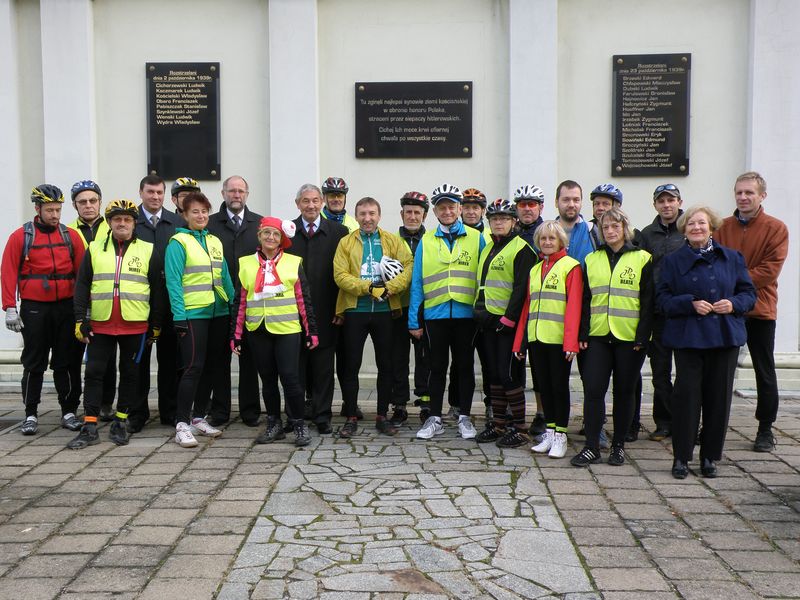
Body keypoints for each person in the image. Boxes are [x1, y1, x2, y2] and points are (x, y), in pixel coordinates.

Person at [658, 206, 756, 479]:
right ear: (684, 229)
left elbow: (749, 294)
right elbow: (662, 300)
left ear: (711, 227)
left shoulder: (732, 258)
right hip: (689, 338)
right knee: (686, 399)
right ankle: (681, 457)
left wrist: (733, 303)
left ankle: (710, 457)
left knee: (718, 400)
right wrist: (689, 304)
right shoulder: (673, 261)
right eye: (691, 224)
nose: (697, 228)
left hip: (724, 337)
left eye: (701, 223)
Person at [68, 200, 165, 449]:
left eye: (128, 219)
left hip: (135, 325)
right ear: (109, 223)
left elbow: (157, 290)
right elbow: (82, 286)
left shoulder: (148, 249)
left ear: (134, 223)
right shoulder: (94, 248)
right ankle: (89, 425)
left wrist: (155, 324)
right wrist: (81, 319)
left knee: (131, 375)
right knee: (93, 374)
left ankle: (121, 422)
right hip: (100, 324)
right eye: (117, 219)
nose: (122, 223)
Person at [571, 207, 653, 467]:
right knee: (593, 390)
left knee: (624, 392)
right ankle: (592, 446)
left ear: (624, 228)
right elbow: (585, 300)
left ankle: (618, 445)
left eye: (615, 226)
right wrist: (583, 332)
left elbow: (649, 302)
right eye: (605, 227)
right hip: (597, 336)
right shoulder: (592, 259)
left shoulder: (643, 258)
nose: (610, 231)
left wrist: (643, 337)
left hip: (629, 338)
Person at [1, 185, 85, 435]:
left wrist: (84, 309)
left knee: (66, 362)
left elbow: (83, 275)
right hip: (34, 308)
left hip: (66, 308)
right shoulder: (21, 237)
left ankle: (68, 411)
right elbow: (7, 272)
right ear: (37, 209)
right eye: (50, 210)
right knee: (34, 363)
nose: (55, 215)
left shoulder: (71, 236)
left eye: (58, 209)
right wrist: (9, 307)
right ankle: (30, 414)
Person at [715, 172, 789, 453]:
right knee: (719, 371)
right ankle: (712, 425)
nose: (743, 197)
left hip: (759, 309)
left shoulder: (776, 228)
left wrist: (734, 284)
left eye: (749, 193)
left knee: (764, 370)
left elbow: (770, 270)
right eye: (739, 192)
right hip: (726, 310)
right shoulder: (722, 227)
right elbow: (715, 261)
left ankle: (765, 429)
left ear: (762, 196)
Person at [408, 183, 485, 440]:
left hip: (466, 316)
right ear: (435, 211)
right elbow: (417, 281)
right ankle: (434, 418)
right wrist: (413, 319)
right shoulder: (427, 240)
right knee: (436, 367)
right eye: (442, 207)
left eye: (452, 206)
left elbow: (484, 277)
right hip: (435, 315)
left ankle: (464, 417)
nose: (447, 211)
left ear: (460, 208)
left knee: (464, 367)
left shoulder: (476, 238)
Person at [231, 216, 317, 446]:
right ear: (259, 236)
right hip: (258, 328)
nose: (271, 237)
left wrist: (311, 331)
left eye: (275, 234)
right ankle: (274, 423)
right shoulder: (245, 263)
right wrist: (236, 334)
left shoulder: (293, 262)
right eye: (266, 233)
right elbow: (240, 301)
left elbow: (303, 300)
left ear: (282, 239)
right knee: (267, 381)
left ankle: (298, 423)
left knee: (290, 378)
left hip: (287, 329)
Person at [334, 197, 413, 438]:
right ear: (356, 217)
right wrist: (367, 288)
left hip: (385, 311)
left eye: (371, 213)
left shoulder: (393, 240)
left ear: (379, 215)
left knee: (386, 365)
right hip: (354, 310)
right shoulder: (346, 242)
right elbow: (340, 274)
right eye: (362, 214)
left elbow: (409, 266)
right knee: (351, 365)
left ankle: (382, 415)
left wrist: (391, 287)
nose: (367, 218)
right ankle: (350, 415)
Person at [165, 192, 234, 448]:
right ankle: (181, 423)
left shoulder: (215, 240)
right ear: (184, 215)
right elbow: (173, 282)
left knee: (211, 368)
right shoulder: (178, 242)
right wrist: (178, 316)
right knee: (193, 367)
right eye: (195, 211)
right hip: (193, 314)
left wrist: (234, 304)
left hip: (219, 313)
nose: (201, 216)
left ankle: (197, 417)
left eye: (204, 211)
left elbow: (224, 276)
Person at [514, 220, 582, 458]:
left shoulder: (570, 266)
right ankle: (551, 433)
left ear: (561, 240)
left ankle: (561, 435)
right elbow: (526, 308)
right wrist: (519, 342)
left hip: (558, 340)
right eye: (543, 239)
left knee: (558, 388)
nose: (547, 242)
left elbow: (574, 306)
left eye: (552, 238)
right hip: (536, 338)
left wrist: (571, 342)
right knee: (543, 388)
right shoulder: (535, 269)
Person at [472, 199, 536, 448]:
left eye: (504, 218)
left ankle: (519, 428)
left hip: (508, 324)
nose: (499, 222)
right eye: (494, 218)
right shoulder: (489, 247)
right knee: (494, 377)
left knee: (509, 376)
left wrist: (509, 319)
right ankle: (499, 425)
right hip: (487, 321)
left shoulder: (522, 249)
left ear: (514, 222)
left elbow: (522, 289)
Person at [287, 184, 349, 434]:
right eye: (305, 201)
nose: (311, 205)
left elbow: (344, 273)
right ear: (297, 203)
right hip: (292, 312)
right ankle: (295, 415)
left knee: (324, 368)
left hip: (327, 311)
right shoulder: (287, 232)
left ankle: (323, 416)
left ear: (322, 202)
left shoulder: (339, 232)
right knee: (295, 368)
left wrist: (340, 308)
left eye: (315, 201)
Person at [206, 175, 263, 426]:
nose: (236, 195)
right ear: (223, 194)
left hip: (251, 303)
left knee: (250, 359)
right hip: (219, 303)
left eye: (241, 191)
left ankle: (250, 411)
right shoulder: (209, 225)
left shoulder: (259, 224)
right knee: (219, 359)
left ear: (247, 194)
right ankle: (220, 411)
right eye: (232, 191)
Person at [132, 174, 186, 430]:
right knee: (138, 360)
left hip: (169, 301)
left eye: (159, 193)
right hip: (140, 302)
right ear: (141, 193)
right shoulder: (131, 222)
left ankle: (170, 412)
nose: (155, 197)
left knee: (170, 360)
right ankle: (137, 412)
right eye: (150, 192)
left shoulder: (176, 222)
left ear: (165, 195)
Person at [639, 183, 685, 441]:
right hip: (658, 313)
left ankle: (686, 419)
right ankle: (664, 421)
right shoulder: (647, 235)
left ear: (679, 201)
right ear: (655, 204)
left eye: (671, 200)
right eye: (661, 201)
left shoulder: (689, 229)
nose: (666, 205)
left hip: (685, 313)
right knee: (660, 371)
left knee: (688, 371)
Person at [68, 179, 116, 422]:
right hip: (78, 299)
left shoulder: (113, 227)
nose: (88, 206)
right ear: (75, 205)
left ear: (100, 201)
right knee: (75, 356)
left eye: (93, 200)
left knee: (106, 358)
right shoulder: (67, 231)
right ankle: (74, 404)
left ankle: (106, 403)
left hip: (105, 299)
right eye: (82, 202)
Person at [448, 187, 491, 420]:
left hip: (485, 310)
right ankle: (455, 404)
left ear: (483, 211)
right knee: (459, 362)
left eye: (476, 207)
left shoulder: (490, 236)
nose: (471, 212)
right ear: (460, 209)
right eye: (467, 207)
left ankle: (490, 404)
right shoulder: (453, 234)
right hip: (462, 309)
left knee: (487, 361)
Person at [392, 191, 430, 423]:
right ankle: (399, 403)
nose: (413, 217)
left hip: (425, 307)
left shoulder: (432, 240)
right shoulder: (391, 240)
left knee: (425, 357)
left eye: (417, 212)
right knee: (398, 357)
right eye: (409, 212)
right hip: (398, 306)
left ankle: (425, 401)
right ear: (402, 214)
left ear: (424, 215)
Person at [513, 184, 547, 438]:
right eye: (523, 204)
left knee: (539, 365)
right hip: (515, 305)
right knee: (515, 363)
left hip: (540, 305)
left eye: (532, 204)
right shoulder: (512, 233)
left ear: (540, 207)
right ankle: (517, 414)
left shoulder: (547, 232)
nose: (527, 209)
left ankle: (542, 414)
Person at [554, 180, 597, 266]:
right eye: (566, 200)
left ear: (581, 202)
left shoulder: (593, 231)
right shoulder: (546, 233)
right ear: (556, 202)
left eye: (576, 200)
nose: (571, 204)